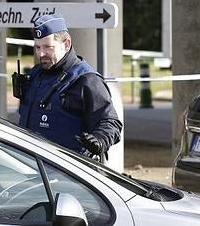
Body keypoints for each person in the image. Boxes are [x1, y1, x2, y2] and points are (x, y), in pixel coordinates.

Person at [13, 14, 122, 160]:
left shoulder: (86, 80)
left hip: (69, 172)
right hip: (32, 165)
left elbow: (111, 122)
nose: (41, 53)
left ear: (66, 44)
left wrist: (99, 140)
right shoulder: (36, 74)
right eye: (37, 47)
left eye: (48, 47)